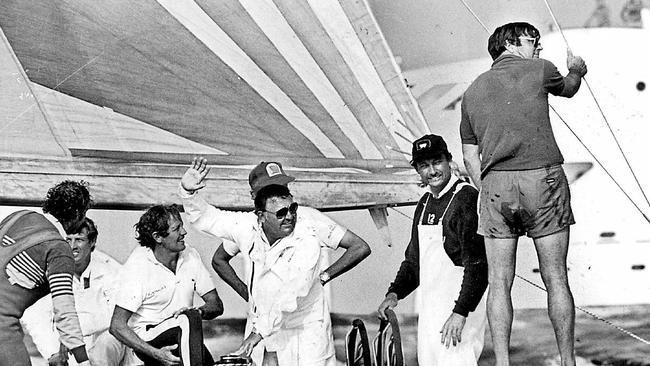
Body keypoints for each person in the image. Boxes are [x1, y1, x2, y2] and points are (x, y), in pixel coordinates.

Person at [460, 22, 588, 366]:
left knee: (498, 281)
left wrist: (484, 186)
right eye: (534, 42)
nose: (539, 49)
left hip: (495, 187)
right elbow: (570, 88)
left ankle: (502, 363)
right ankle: (568, 361)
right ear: (511, 42)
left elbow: (469, 154)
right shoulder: (540, 69)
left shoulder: (471, 91)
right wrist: (576, 69)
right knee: (556, 277)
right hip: (541, 179)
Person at [179, 158, 350, 365]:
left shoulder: (307, 233)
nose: (289, 216)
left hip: (303, 331)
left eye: (292, 208)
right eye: (280, 211)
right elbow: (210, 219)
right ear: (259, 212)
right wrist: (188, 193)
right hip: (262, 327)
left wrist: (323, 277)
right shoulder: (248, 225)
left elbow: (291, 294)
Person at [377, 134, 488, 365]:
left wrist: (460, 313)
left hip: (459, 313)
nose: (432, 171)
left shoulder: (466, 198)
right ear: (418, 170)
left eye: (437, 162)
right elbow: (414, 261)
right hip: (431, 314)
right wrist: (395, 292)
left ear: (449, 160)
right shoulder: (425, 202)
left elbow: (478, 266)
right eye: (424, 166)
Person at [109, 205, 223, 366]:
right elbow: (117, 326)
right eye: (177, 228)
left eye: (182, 226)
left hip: (182, 331)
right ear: (158, 237)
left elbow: (216, 304)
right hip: (148, 340)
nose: (184, 232)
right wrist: (156, 354)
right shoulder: (138, 266)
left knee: (190, 318)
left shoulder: (191, 255)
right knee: (187, 319)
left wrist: (198, 311)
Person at [0, 180, 93, 366]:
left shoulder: (19, 216)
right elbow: (64, 311)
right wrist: (83, 361)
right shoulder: (59, 249)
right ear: (77, 214)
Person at [22, 217, 135, 366]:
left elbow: (117, 318)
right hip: (66, 350)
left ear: (92, 242)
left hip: (105, 347)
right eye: (68, 240)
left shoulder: (111, 270)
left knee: (107, 343)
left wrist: (73, 332)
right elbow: (35, 316)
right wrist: (52, 353)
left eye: (79, 240)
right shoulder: (50, 270)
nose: (73, 246)